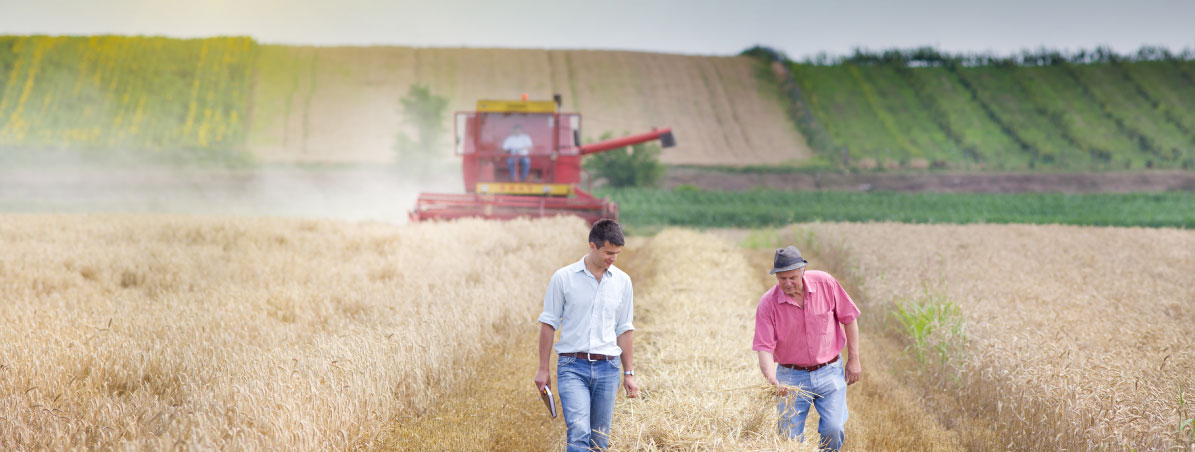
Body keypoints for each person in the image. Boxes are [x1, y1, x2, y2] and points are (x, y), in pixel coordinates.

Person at [534, 219, 638, 452]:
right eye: (609, 252)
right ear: (592, 246)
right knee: (579, 432)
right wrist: (543, 368)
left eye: (617, 253)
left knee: (599, 440)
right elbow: (548, 324)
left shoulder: (623, 282)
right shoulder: (563, 278)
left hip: (608, 368)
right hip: (572, 366)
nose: (613, 258)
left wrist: (629, 373)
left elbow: (624, 328)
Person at [752, 245, 861, 451]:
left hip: (829, 371)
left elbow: (850, 318)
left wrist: (854, 360)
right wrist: (771, 378)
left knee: (833, 430)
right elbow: (764, 346)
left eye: (792, 277)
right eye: (782, 278)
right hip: (791, 377)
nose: (787, 283)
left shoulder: (826, 283)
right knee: (789, 439)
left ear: (803, 270)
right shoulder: (767, 304)